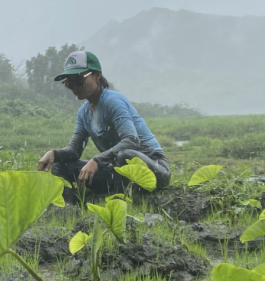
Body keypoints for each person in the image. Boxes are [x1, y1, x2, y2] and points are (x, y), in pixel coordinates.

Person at [37, 50, 170, 192]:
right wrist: (54, 154)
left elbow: (131, 140)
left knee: (125, 155)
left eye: (78, 80)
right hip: (116, 171)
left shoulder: (113, 101)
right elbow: (75, 151)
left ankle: (122, 200)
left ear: (97, 76)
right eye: (69, 83)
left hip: (153, 167)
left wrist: (97, 160)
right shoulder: (83, 113)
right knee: (60, 165)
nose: (74, 87)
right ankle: (74, 205)